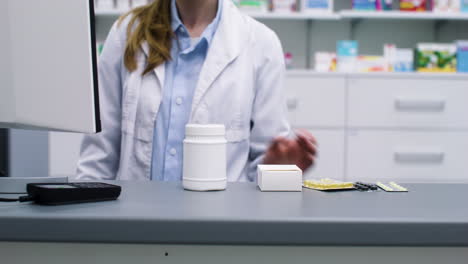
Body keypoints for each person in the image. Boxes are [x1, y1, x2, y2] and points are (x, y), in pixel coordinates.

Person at [77, 0, 317, 182]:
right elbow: (98, 157)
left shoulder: (261, 44)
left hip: (219, 232)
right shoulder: (127, 34)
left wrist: (279, 168)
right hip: (135, 230)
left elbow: (266, 171)